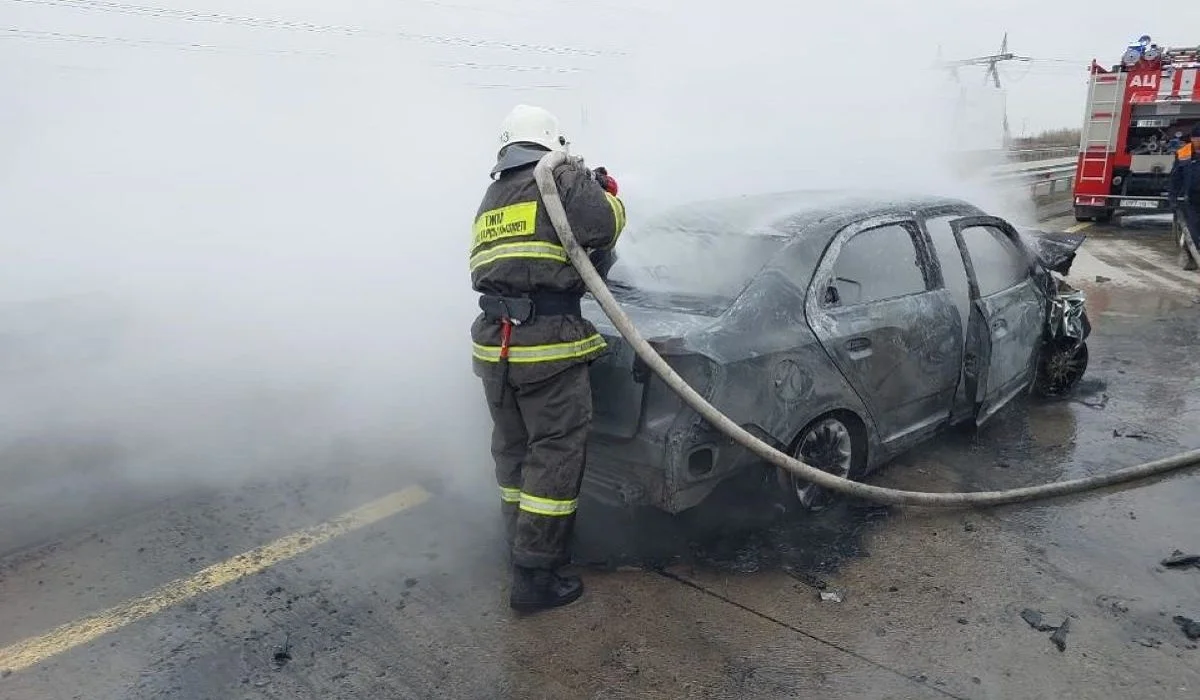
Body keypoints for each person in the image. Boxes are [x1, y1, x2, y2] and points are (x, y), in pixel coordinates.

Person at [469, 104, 627, 612]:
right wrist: (605, 191)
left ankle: (516, 548)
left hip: (497, 347)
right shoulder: (560, 174)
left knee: (513, 453)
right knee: (553, 458)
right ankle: (536, 577)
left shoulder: (493, 196)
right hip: (547, 346)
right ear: (551, 141)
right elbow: (603, 226)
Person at [1168, 123, 1200, 271]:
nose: (1197, 141)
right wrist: (1173, 197)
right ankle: (1191, 258)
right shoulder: (1183, 153)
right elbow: (1175, 178)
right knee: (1192, 230)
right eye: (1196, 138)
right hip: (1191, 199)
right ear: (1192, 138)